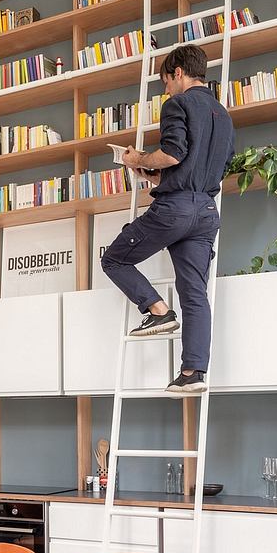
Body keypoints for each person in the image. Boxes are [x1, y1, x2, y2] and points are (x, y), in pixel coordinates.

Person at [101, 44, 235, 393]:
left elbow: (174, 152)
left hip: (176, 209)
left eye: (165, 82)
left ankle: (158, 311)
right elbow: (213, 165)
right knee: (194, 293)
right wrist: (155, 176)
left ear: (178, 73)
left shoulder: (178, 104)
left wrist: (137, 159)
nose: (166, 89)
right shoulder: (223, 115)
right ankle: (192, 373)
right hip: (206, 211)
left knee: (113, 259)